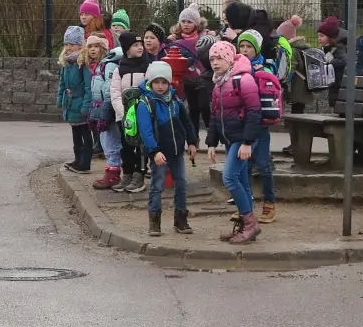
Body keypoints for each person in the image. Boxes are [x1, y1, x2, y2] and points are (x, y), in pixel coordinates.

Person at [206, 41, 262, 245]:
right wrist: (211, 143)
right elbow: (214, 115)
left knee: (229, 177)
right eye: (212, 59)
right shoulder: (219, 82)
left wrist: (247, 142)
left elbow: (255, 112)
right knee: (242, 181)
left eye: (219, 58)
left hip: (242, 139)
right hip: (231, 138)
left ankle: (249, 223)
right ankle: (246, 223)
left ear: (229, 59)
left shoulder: (243, 79)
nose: (215, 62)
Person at [137, 60, 198, 236]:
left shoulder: (176, 101)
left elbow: (186, 123)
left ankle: (181, 219)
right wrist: (154, 151)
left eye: (164, 82)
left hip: (177, 150)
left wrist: (192, 142)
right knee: (157, 185)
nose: (161, 86)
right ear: (151, 82)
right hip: (159, 151)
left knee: (181, 184)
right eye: (157, 82)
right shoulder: (145, 103)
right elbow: (146, 131)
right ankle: (154, 222)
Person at [234, 29, 278, 223]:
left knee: (263, 165)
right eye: (241, 46)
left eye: (249, 47)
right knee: (245, 167)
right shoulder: (235, 66)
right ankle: (246, 207)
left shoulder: (265, 67)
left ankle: (269, 205)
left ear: (257, 48)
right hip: (243, 123)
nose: (244, 50)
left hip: (260, 123)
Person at [109, 32, 152, 193]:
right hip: (125, 117)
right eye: (135, 45)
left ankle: (139, 175)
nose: (140, 47)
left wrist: (142, 111)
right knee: (126, 146)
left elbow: (148, 89)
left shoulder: (147, 67)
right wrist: (123, 112)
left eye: (141, 44)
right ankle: (127, 173)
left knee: (141, 146)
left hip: (142, 115)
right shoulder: (120, 70)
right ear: (127, 49)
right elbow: (115, 93)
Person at [168, 4, 213, 146]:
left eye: (189, 22)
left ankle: (212, 132)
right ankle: (194, 137)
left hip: (203, 78)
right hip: (186, 78)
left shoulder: (205, 38)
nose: (186, 25)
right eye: (183, 21)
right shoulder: (175, 41)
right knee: (192, 108)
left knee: (204, 105)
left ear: (196, 24)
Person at [87, 35, 123, 190]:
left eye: (96, 46)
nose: (92, 49)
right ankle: (111, 171)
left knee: (110, 142)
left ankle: (113, 173)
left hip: (107, 110)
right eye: (90, 46)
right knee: (105, 141)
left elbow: (108, 90)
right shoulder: (100, 65)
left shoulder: (108, 66)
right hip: (100, 108)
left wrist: (104, 112)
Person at [57, 26, 93, 173]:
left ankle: (85, 162)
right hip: (70, 104)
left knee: (85, 134)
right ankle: (78, 159)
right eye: (66, 44)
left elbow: (88, 87)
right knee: (75, 134)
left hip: (80, 105)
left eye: (72, 44)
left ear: (80, 45)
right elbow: (62, 84)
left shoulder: (82, 64)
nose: (68, 48)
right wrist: (60, 100)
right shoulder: (66, 64)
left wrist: (85, 106)